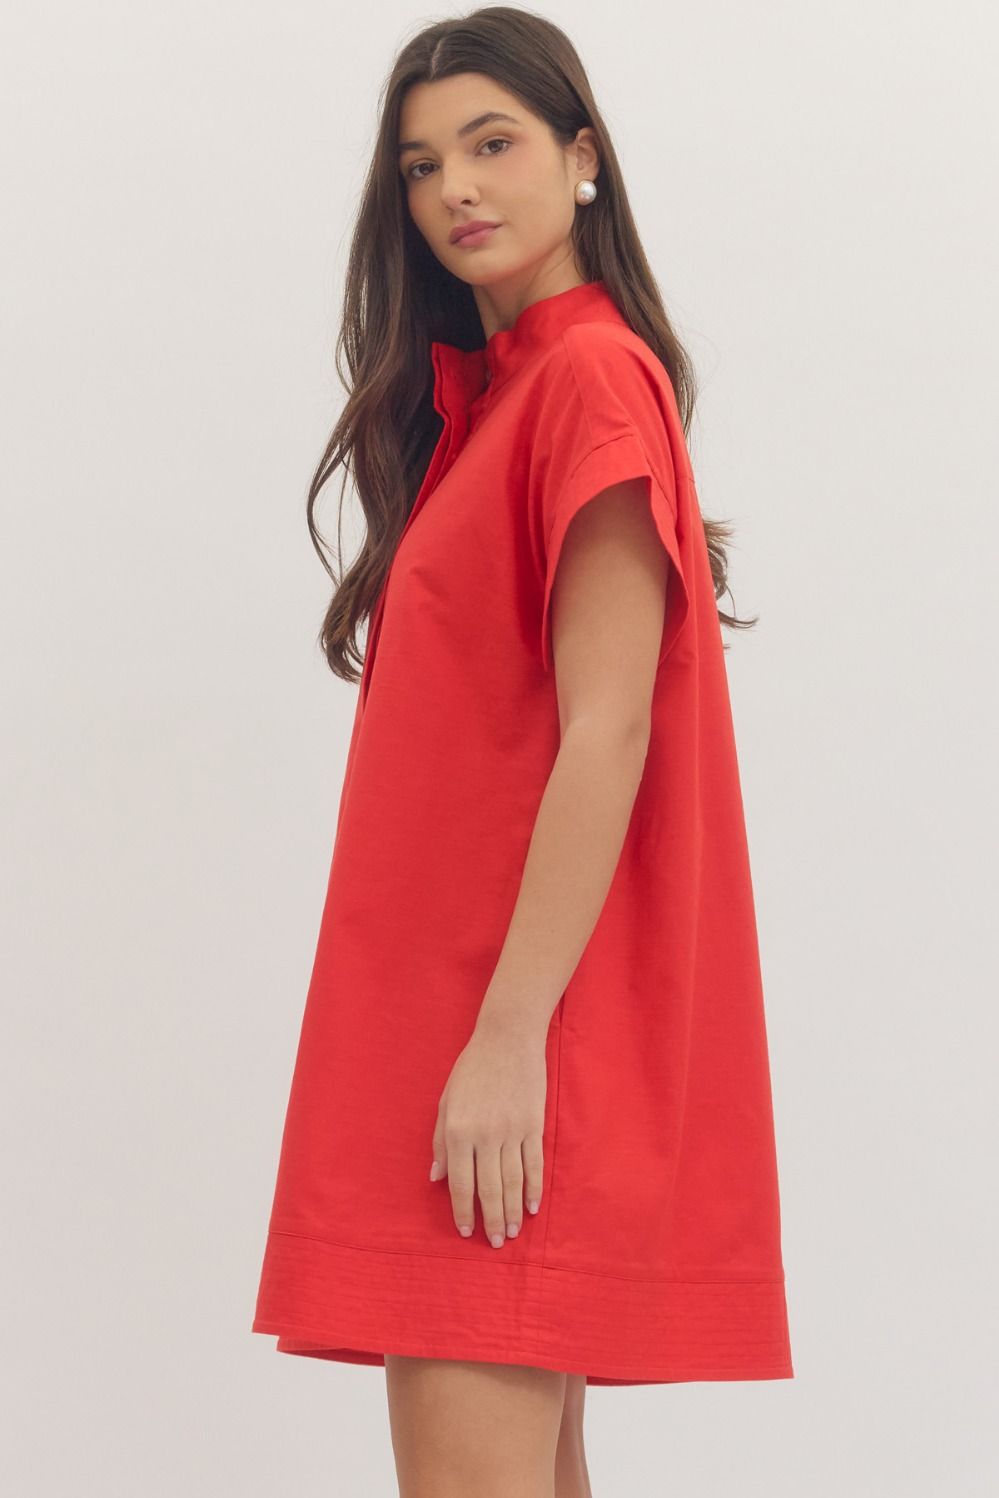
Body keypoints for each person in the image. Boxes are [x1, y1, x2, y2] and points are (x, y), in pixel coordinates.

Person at [252, 8, 793, 1494]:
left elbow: (608, 726)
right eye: (423, 165)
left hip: (496, 1048)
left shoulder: (586, 382)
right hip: (459, 1035)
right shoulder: (496, 401)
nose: (454, 192)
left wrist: (503, 1043)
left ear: (584, 158)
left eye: (492, 145)